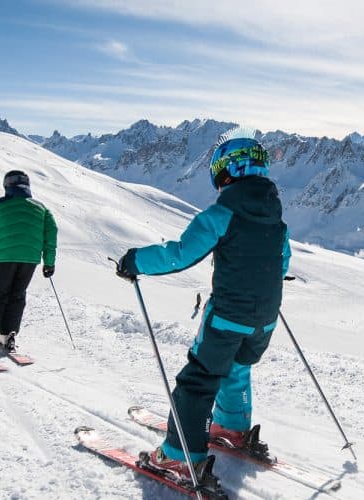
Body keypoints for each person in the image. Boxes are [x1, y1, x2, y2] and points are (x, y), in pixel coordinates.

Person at [115, 129, 290, 482]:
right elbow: (282, 262)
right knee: (238, 368)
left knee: (198, 379)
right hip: (265, 320)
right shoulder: (276, 218)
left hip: (228, 317)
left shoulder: (222, 213)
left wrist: (134, 261)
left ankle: (179, 457)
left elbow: (180, 255)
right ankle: (232, 429)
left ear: (226, 171)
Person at [0, 170, 57, 358]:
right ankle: (7, 335)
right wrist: (49, 263)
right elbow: (51, 235)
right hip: (30, 260)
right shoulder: (41, 208)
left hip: (4, 258)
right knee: (17, 296)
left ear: (6, 185)